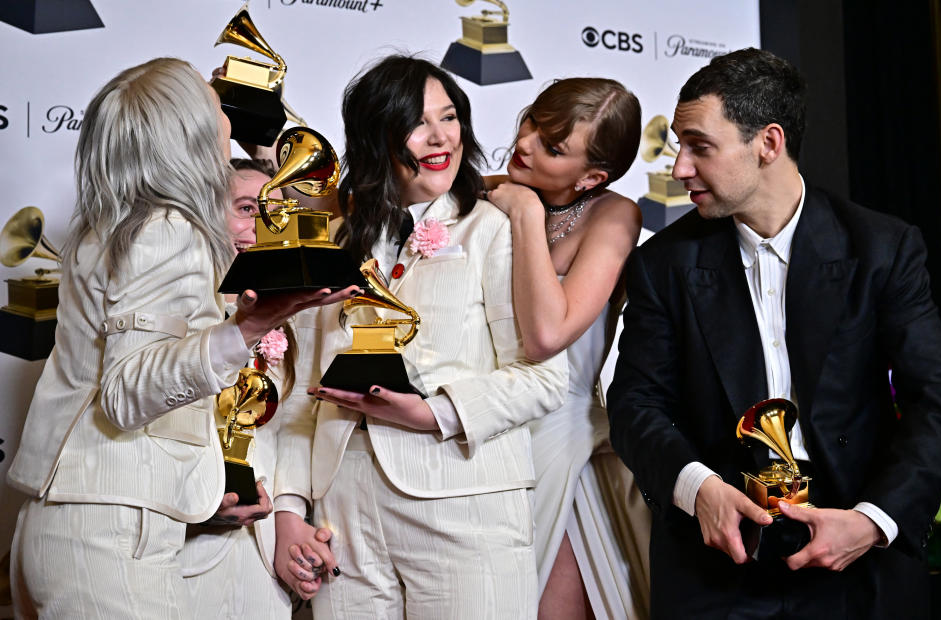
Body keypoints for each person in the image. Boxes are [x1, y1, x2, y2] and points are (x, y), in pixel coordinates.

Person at [606, 47, 941, 619]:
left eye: (700, 146)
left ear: (768, 144)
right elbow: (634, 403)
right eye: (679, 147)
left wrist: (872, 522)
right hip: (717, 559)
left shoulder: (883, 248)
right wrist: (698, 490)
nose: (679, 169)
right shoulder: (662, 264)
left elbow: (940, 400)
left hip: (856, 557)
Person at [5, 58, 354, 618]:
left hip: (78, 523)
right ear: (188, 131)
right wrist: (250, 327)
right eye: (216, 107)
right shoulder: (169, 229)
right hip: (112, 534)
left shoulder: (115, 227)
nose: (228, 116)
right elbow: (127, 393)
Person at [273, 55, 568, 618]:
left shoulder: (492, 228)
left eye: (450, 116)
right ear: (375, 136)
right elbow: (300, 392)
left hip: (464, 496)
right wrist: (288, 510)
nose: (440, 138)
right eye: (417, 122)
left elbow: (544, 378)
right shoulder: (335, 240)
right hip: (343, 507)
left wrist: (434, 414)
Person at [485, 77, 649, 619]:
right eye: (532, 121)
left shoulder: (614, 215)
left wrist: (526, 214)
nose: (526, 143)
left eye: (553, 147)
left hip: (561, 435)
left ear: (592, 176)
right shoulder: (487, 189)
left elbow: (548, 335)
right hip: (480, 424)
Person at [181, 158, 323, 619]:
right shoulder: (169, 310)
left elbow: (288, 433)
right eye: (246, 209)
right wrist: (197, 508)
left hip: (260, 559)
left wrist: (289, 517)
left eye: (274, 216)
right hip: (177, 552)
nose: (261, 228)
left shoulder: (290, 319)